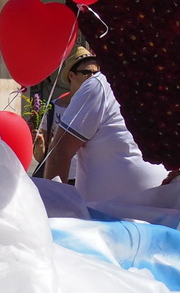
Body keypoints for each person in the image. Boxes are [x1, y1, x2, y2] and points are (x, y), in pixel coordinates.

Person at [43, 46, 167, 207]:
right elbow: (60, 151)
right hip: (104, 222)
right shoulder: (99, 86)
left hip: (163, 218)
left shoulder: (164, 88)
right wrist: (56, 210)